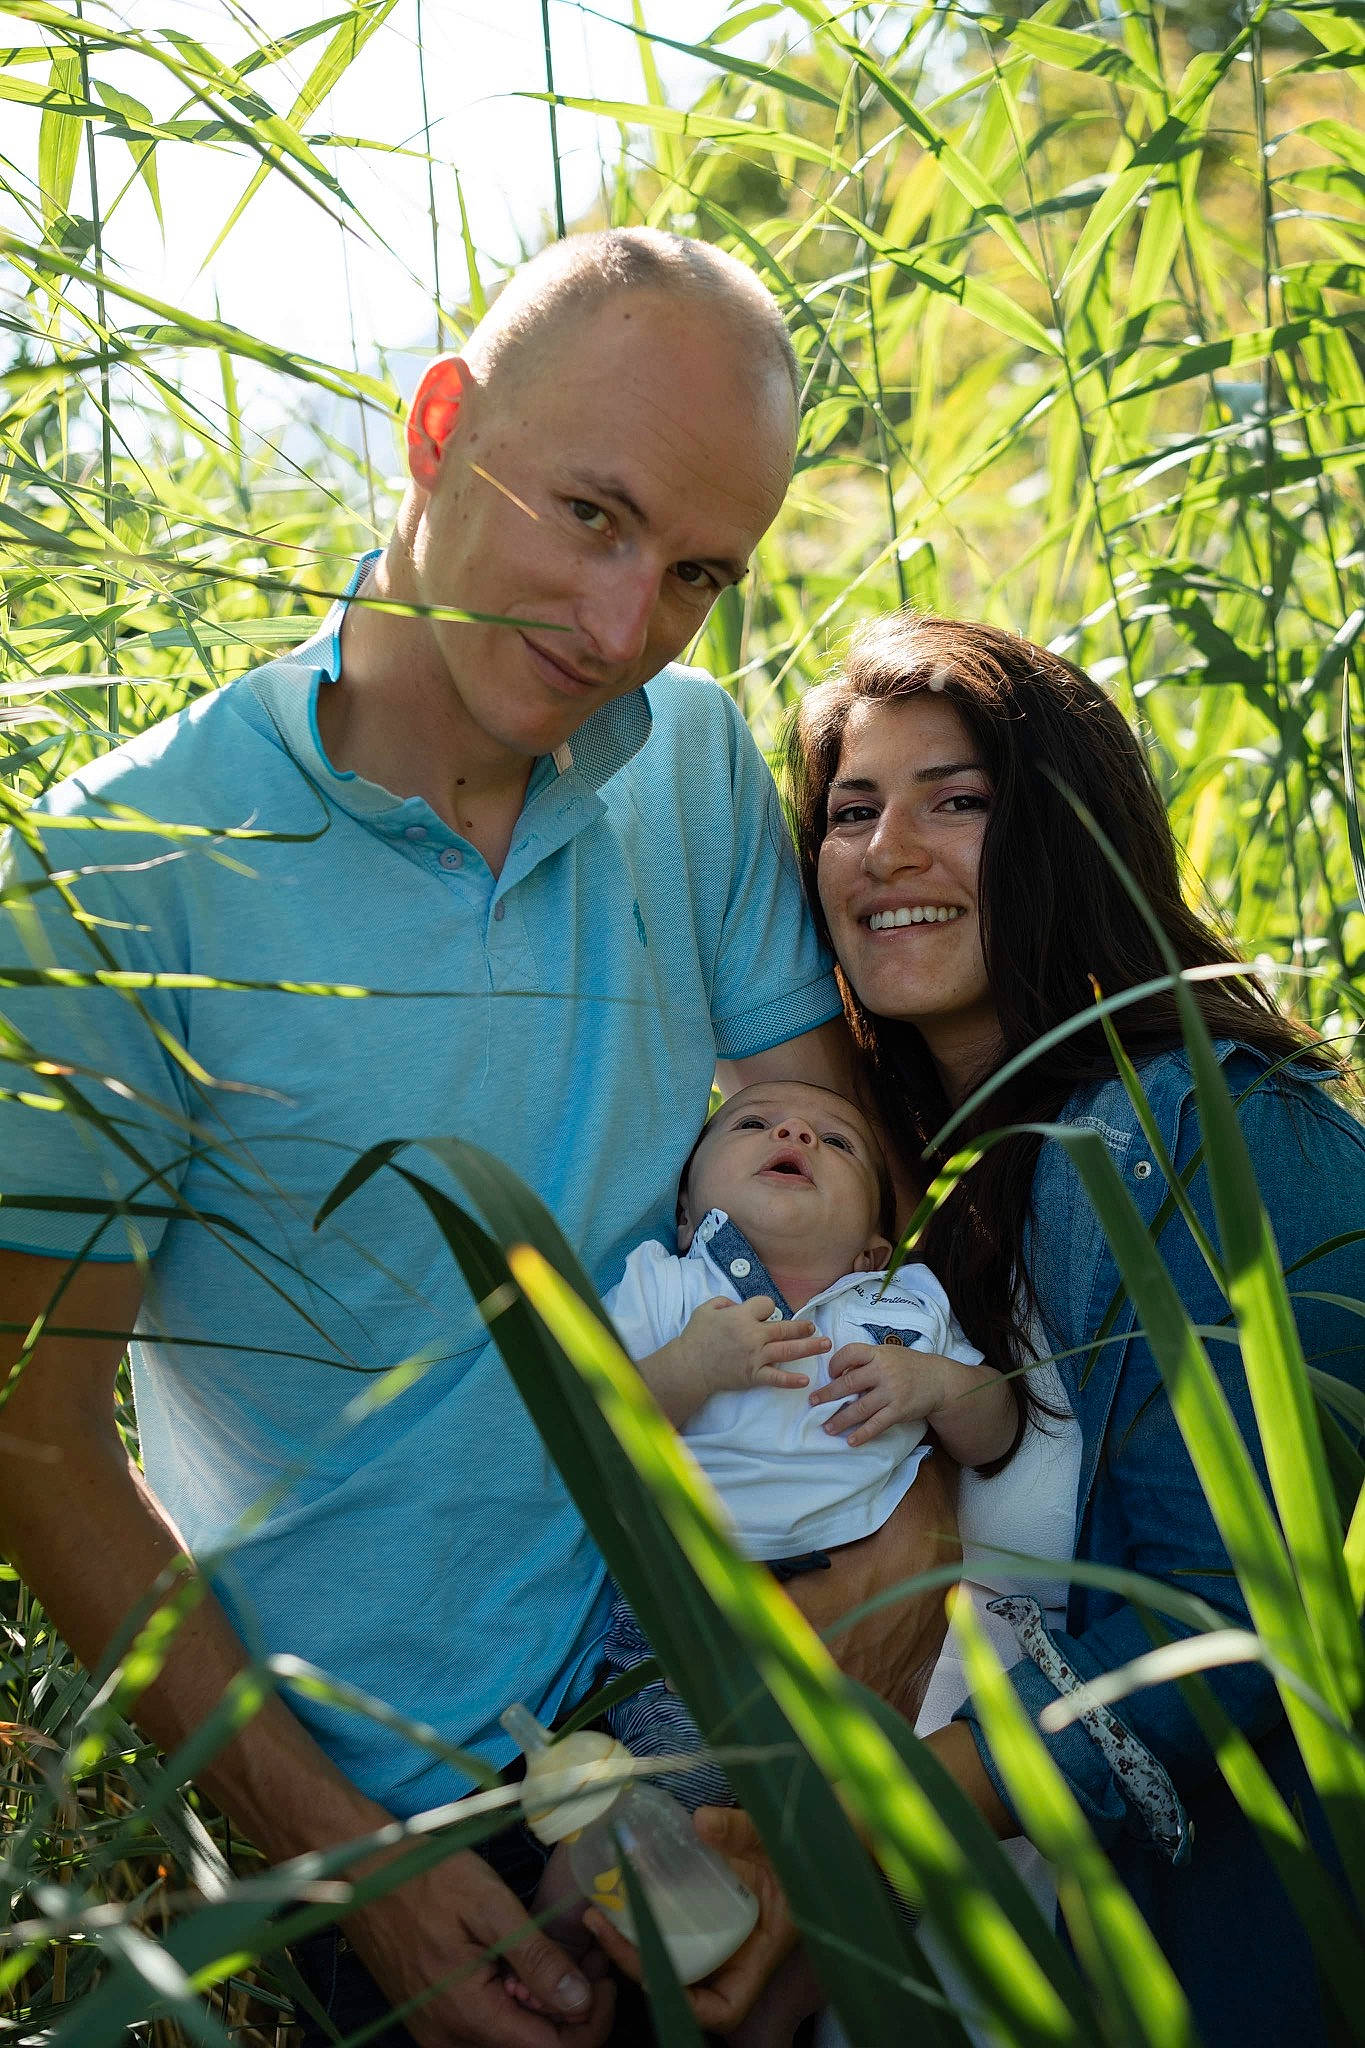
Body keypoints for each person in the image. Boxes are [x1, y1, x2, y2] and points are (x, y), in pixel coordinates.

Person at [0, 229, 857, 2048]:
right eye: (589, 517)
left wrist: (823, 1726)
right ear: (438, 424)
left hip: (699, 1665)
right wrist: (348, 1868)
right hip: (370, 1780)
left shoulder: (689, 765)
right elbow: (33, 1440)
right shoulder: (118, 872)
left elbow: (829, 1177)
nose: (620, 631)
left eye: (696, 571)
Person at [777, 612, 1365, 2047]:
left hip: (1150, 1982)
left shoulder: (1228, 1138)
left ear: (1076, 837)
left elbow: (1216, 1633)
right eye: (849, 810)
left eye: (957, 801)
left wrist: (824, 1844)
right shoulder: (880, 1186)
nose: (885, 850)